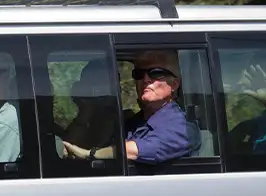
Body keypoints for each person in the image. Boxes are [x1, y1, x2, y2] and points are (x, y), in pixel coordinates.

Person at [62, 50, 193, 165]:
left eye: (156, 73)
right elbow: (68, 150)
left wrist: (90, 154)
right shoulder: (130, 123)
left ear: (174, 84)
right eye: (139, 74)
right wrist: (86, 113)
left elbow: (138, 150)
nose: (146, 79)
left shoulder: (183, 128)